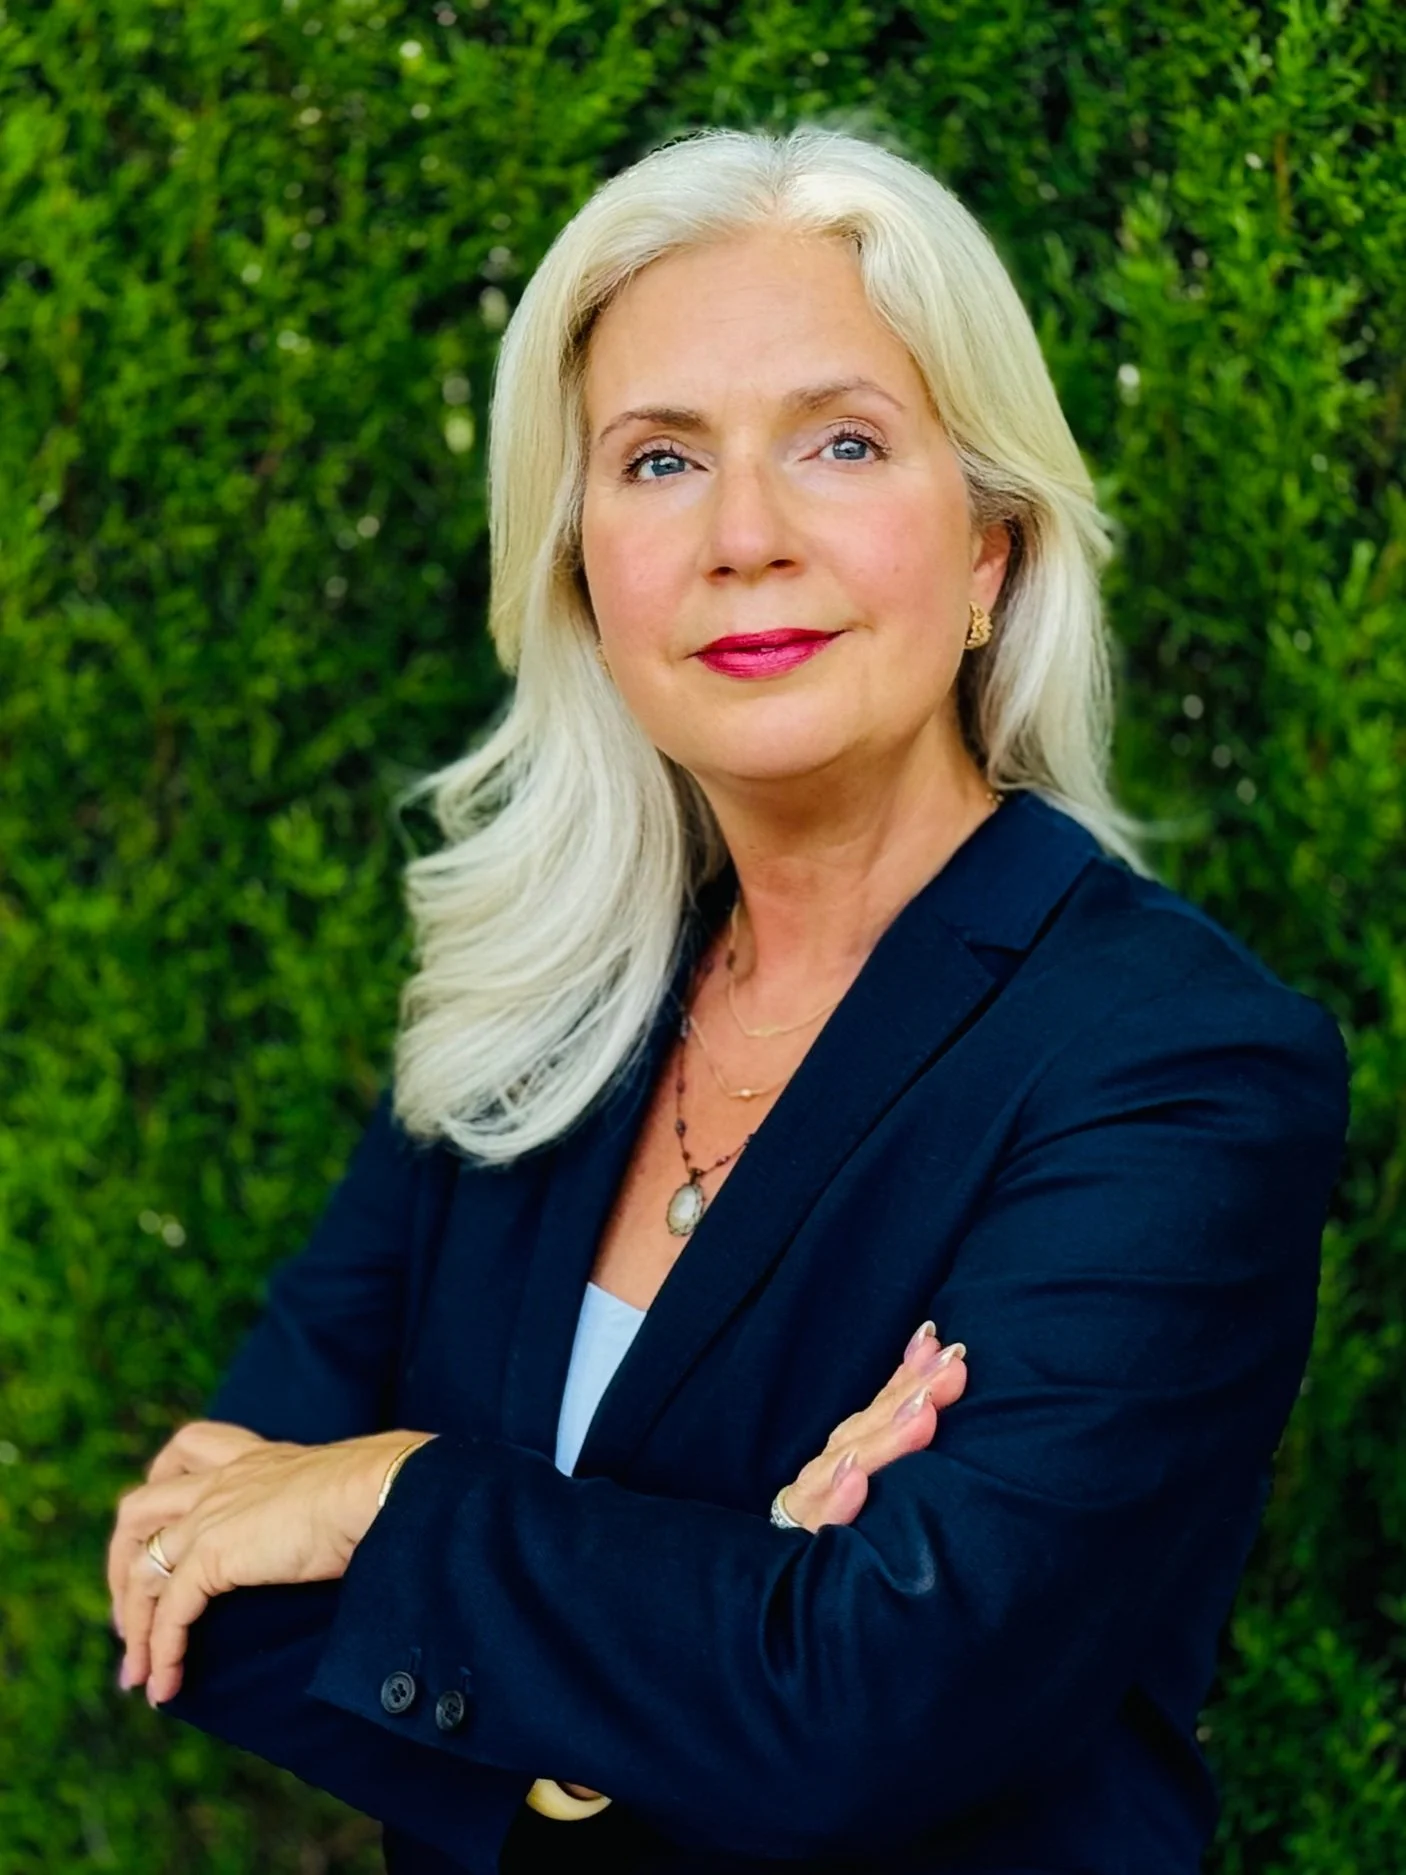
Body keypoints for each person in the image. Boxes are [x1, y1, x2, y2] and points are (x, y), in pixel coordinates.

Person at [105, 125, 1349, 1874]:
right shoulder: (528, 1015)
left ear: (989, 549)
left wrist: (381, 1499)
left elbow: (873, 1705)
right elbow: (196, 1590)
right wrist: (722, 1634)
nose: (743, 534)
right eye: (659, 458)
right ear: (581, 566)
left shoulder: (1171, 1064)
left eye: (841, 442)